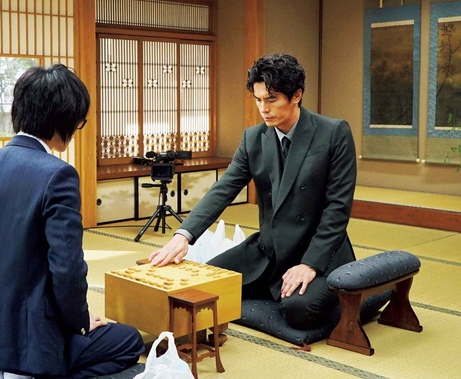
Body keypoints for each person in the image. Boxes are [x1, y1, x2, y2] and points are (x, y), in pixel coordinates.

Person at [0, 64, 144, 379]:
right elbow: (67, 269)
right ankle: (31, 376)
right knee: (129, 340)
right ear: (64, 119)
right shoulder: (58, 174)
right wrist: (80, 323)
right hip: (32, 337)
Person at [149, 53, 357, 330]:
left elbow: (338, 208)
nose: (263, 108)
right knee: (203, 284)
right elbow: (223, 189)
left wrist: (310, 264)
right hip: (268, 250)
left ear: (296, 95)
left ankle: (357, 291)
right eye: (258, 100)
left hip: (317, 249)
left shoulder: (333, 133)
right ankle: (271, 284)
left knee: (299, 311)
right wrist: (183, 235)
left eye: (271, 99)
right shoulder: (253, 138)